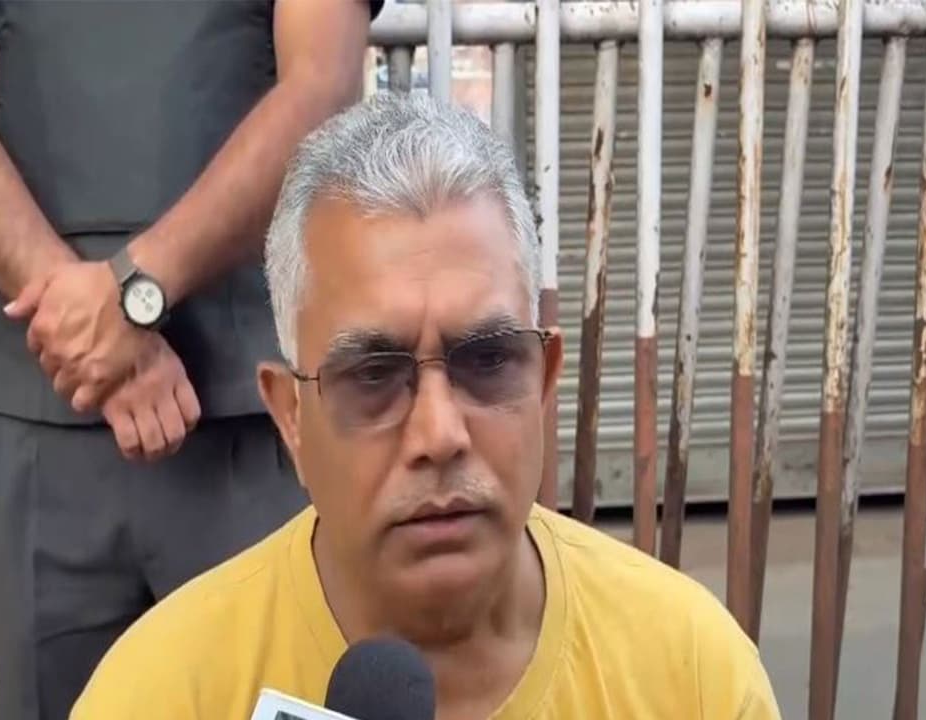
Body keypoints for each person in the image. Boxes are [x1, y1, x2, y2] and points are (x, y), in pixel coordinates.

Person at [70, 93, 782, 720]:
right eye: (373, 375)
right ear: (291, 416)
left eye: (488, 361)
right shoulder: (163, 693)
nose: (439, 435)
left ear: (543, 383)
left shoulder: (693, 676)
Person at [0, 1, 381, 717]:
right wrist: (86, 319)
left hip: (259, 409)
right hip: (40, 410)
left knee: (270, 687)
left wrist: (130, 293)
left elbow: (322, 85)